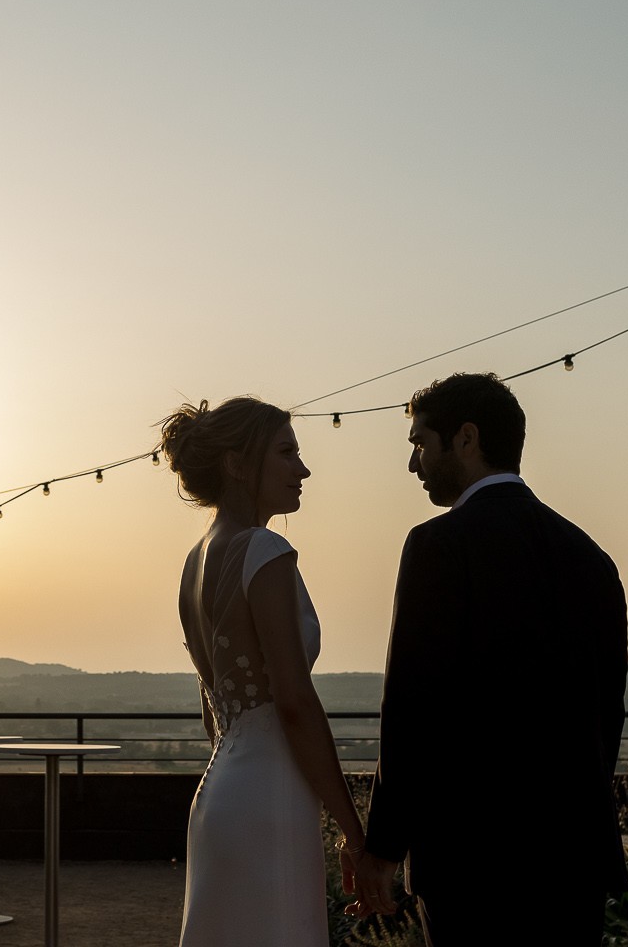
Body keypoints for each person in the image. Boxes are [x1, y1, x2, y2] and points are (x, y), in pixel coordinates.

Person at [348, 372, 628, 946]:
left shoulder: (438, 546)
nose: (413, 465)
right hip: (575, 857)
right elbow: (608, 715)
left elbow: (411, 708)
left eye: (420, 444)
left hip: (472, 862)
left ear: (466, 438)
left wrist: (383, 846)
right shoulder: (591, 557)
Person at [165, 397, 365, 947]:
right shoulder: (264, 549)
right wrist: (354, 832)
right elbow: (295, 703)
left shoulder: (193, 563)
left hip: (218, 795)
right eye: (286, 452)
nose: (301, 470)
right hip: (269, 795)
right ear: (236, 463)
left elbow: (214, 714)